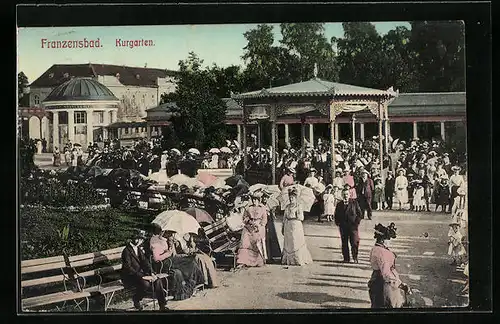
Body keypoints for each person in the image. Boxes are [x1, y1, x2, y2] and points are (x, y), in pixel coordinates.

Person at [149, 223, 204, 300]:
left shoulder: (161, 239)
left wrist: (169, 249)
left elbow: (166, 252)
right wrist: (168, 253)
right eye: (161, 230)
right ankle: (191, 283)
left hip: (169, 260)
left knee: (190, 261)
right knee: (189, 262)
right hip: (163, 264)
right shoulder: (154, 241)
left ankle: (193, 282)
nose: (163, 232)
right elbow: (156, 258)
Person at [121, 229, 168, 311]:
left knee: (157, 280)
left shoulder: (138, 249)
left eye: (142, 239)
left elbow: (145, 262)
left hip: (140, 274)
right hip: (131, 276)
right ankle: (136, 298)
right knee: (145, 284)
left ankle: (162, 305)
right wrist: (142, 276)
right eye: (140, 239)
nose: (141, 241)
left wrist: (151, 273)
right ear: (135, 239)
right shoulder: (126, 251)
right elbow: (128, 268)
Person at [368, 223, 410, 308]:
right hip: (384, 284)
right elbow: (386, 274)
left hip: (375, 279)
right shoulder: (383, 253)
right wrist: (400, 284)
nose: (390, 242)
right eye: (389, 239)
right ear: (383, 240)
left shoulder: (375, 249)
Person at [236, 191, 268, 268]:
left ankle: (257, 261)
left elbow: (264, 220)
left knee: (257, 242)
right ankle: (243, 261)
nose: (254, 201)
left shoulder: (262, 208)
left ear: (259, 200)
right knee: (245, 241)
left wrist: (259, 225)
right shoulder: (248, 207)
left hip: (258, 227)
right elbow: (244, 218)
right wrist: (249, 222)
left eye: (256, 200)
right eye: (253, 200)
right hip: (249, 226)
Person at [281, 187, 313, 266]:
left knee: (295, 241)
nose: (291, 199)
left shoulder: (299, 206)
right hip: (288, 225)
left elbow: (301, 218)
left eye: (293, 198)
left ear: (296, 198)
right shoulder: (287, 207)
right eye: (290, 198)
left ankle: (297, 259)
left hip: (296, 225)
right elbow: (284, 217)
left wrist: (296, 214)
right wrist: (283, 226)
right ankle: (288, 259)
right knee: (289, 242)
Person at [334, 189, 363, 263]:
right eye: (344, 194)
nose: (345, 196)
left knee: (354, 242)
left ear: (349, 195)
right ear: (341, 195)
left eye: (347, 194)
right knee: (344, 243)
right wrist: (338, 223)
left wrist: (356, 223)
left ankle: (355, 257)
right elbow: (336, 215)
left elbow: (359, 214)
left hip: (353, 227)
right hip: (343, 227)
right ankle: (346, 258)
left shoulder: (354, 203)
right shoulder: (339, 204)